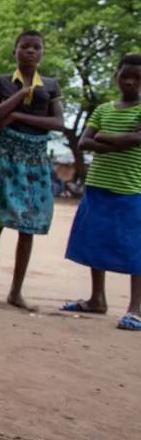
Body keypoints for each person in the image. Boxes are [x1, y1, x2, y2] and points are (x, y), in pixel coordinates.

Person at [0, 31, 64, 312]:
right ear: (15, 50)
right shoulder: (2, 82)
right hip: (5, 155)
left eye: (36, 47)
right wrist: (19, 96)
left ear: (42, 52)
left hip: (35, 158)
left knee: (28, 225)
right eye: (24, 46)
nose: (30, 51)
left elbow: (59, 123)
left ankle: (16, 291)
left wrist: (17, 116)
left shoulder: (51, 85)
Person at [63, 54, 141, 331]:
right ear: (116, 76)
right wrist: (122, 141)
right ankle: (97, 298)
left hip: (132, 187)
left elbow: (138, 139)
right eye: (125, 75)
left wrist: (103, 138)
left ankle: (135, 308)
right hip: (99, 184)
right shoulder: (103, 110)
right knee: (95, 242)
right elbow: (84, 142)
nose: (130, 81)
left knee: (134, 249)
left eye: (137, 77)